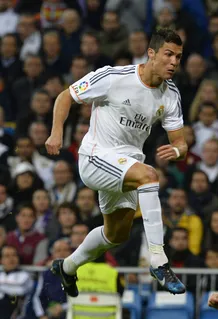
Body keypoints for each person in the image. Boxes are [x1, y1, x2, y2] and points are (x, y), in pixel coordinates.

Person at [45, 28, 188, 297]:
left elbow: (181, 142)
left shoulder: (171, 95)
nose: (174, 62)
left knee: (116, 235)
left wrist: (178, 152)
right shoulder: (113, 76)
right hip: (95, 157)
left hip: (125, 167)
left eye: (179, 57)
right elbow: (66, 96)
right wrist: (56, 131)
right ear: (151, 54)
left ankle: (67, 267)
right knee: (150, 176)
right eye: (168, 54)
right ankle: (159, 261)